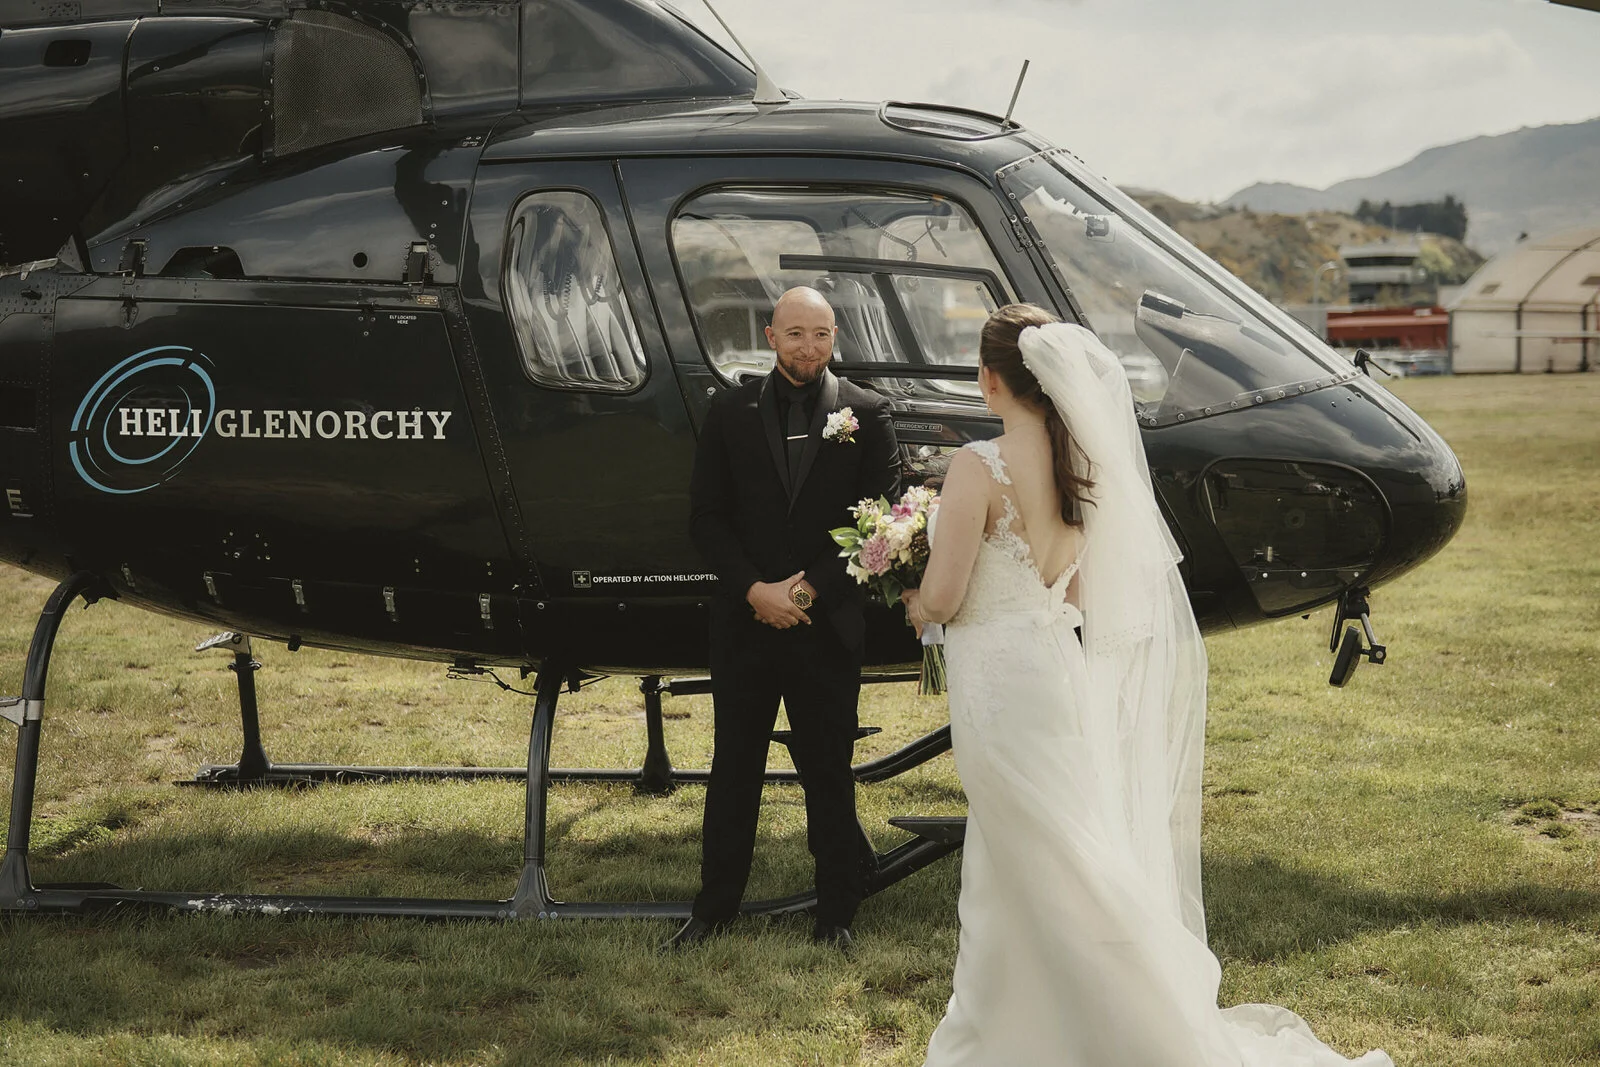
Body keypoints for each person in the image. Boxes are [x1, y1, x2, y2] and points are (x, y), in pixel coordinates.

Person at [902, 304, 1393, 1064]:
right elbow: (1075, 592)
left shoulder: (978, 464)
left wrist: (911, 599)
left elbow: (943, 596)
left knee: (1031, 851)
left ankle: (1077, 1023)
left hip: (997, 681)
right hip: (1050, 670)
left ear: (991, 378)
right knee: (1046, 842)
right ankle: (1033, 1021)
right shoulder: (1082, 465)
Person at [665, 286, 900, 951]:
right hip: (745, 624)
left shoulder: (867, 413)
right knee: (733, 768)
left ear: (835, 335)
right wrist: (754, 591)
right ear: (770, 337)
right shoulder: (729, 411)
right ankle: (713, 909)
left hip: (827, 626)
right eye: (795, 334)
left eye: (820, 334)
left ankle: (836, 914)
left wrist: (805, 593)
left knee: (829, 770)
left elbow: (879, 520)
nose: (808, 347)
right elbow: (706, 517)